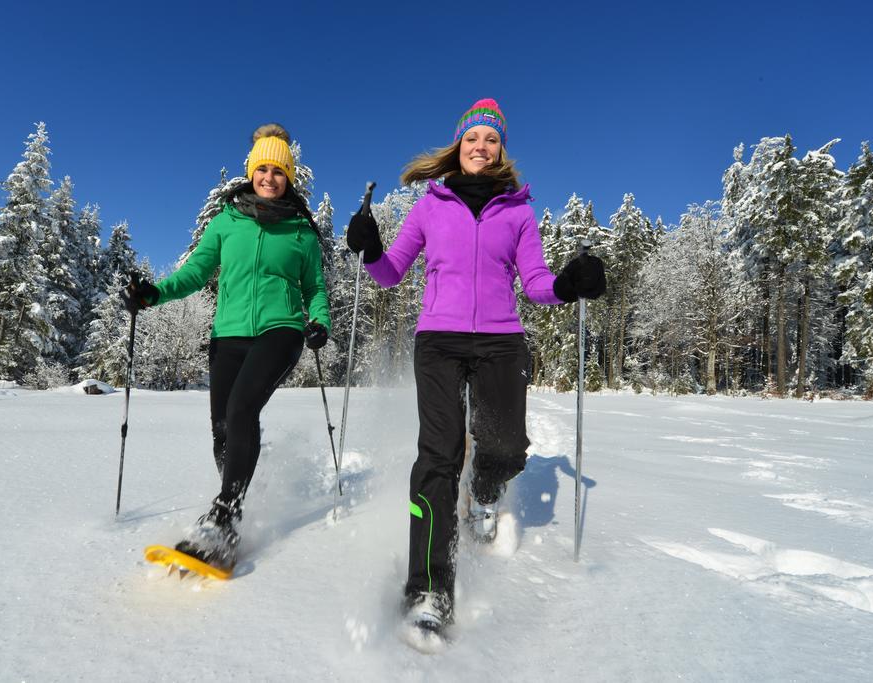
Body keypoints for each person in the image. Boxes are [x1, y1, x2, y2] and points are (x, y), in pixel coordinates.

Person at [345, 99, 605, 635]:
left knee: (506, 446)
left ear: (500, 150)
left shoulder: (518, 211)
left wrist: (567, 283)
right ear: (457, 148)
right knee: (437, 457)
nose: (480, 147)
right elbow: (391, 272)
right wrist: (370, 250)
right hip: (438, 340)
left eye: (490, 139)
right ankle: (429, 588)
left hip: (500, 341)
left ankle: (484, 493)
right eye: (472, 139)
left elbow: (534, 284)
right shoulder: (430, 206)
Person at [123, 123, 331, 574]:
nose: (270, 178)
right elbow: (195, 272)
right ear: (251, 172)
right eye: (263, 169)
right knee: (222, 428)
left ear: (288, 177)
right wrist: (153, 294)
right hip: (229, 335)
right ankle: (235, 496)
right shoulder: (226, 222)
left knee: (240, 412)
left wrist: (319, 322)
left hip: (281, 331)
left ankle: (225, 514)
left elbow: (314, 288)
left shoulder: (301, 232)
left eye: (279, 170)